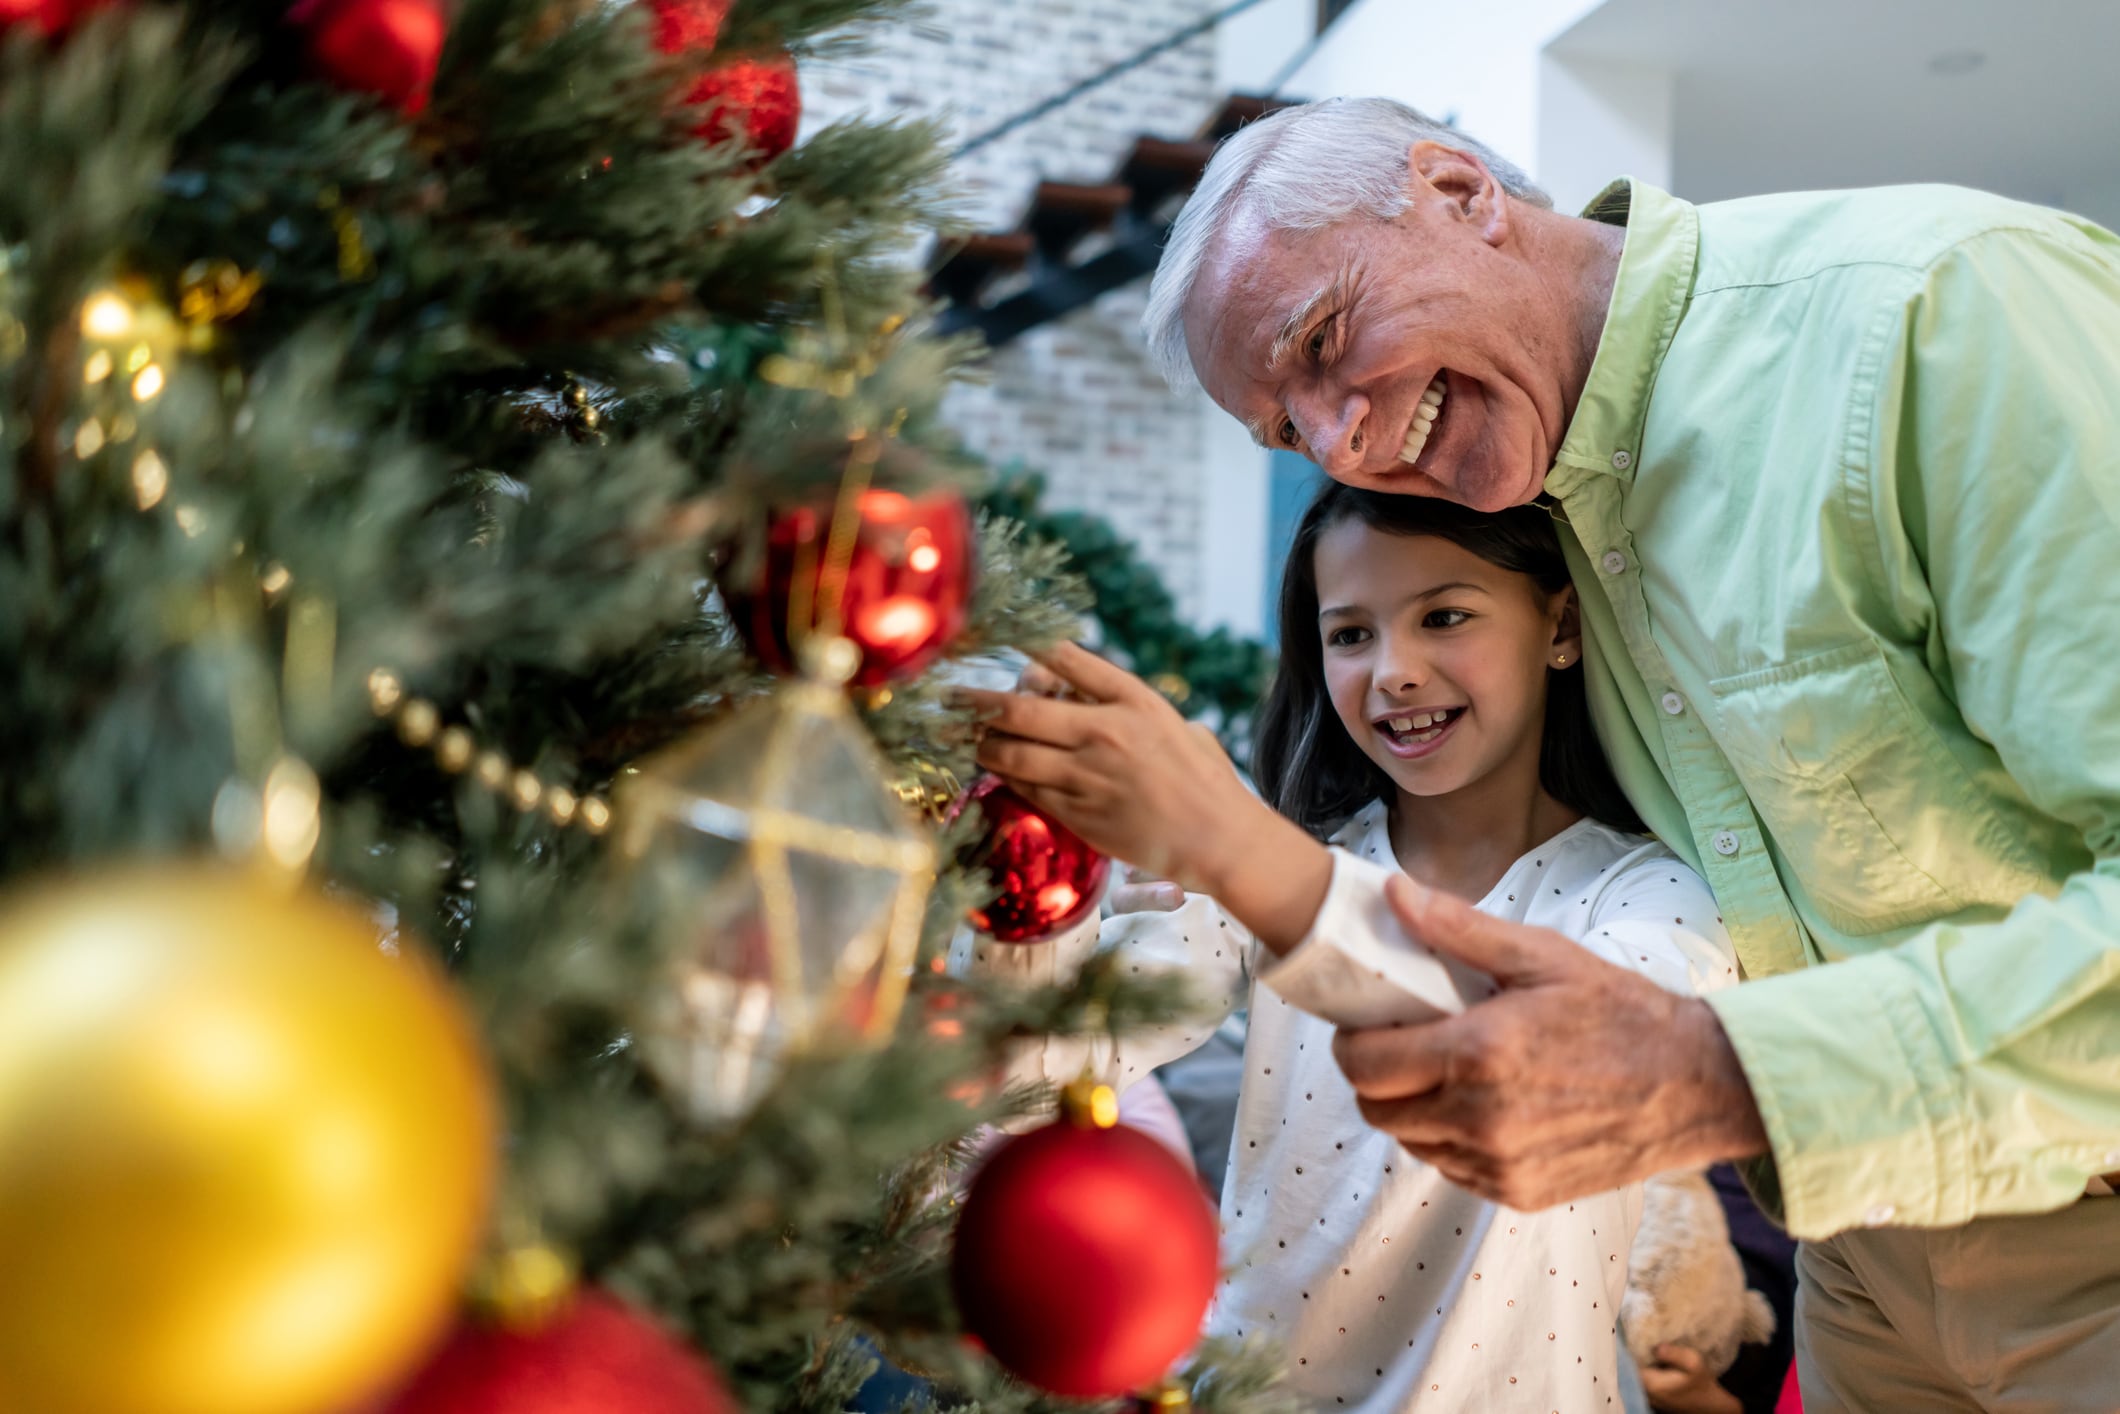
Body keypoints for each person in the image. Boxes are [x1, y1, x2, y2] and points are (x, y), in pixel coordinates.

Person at [1118, 95, 2120, 1408]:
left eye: (1323, 339)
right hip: (1866, 1251)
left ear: (1461, 193)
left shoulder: (1939, 310)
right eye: (1284, 430)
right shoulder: (1553, 507)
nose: (1336, 442)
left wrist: (1721, 1074)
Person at [961, 483, 1736, 1409]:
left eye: (1444, 616)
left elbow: (1557, 1050)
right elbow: (1026, 1080)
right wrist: (1034, 865)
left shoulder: (1653, 895)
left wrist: (1246, 854)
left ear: (1560, 624)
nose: (1393, 671)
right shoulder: (1279, 869)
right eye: (1351, 634)